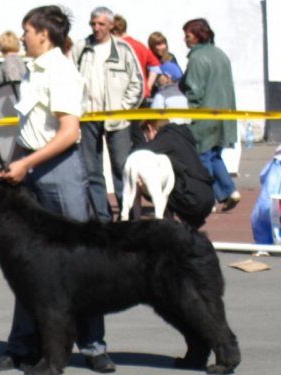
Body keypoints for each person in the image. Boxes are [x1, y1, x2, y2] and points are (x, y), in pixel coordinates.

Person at [0, 5, 115, 375]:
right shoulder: (33, 70)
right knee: (27, 262)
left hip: (59, 170)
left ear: (43, 33)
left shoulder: (61, 71)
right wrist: (18, 162)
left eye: (27, 30)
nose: (22, 36)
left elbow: (69, 132)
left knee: (78, 260)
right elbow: (30, 124)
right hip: (30, 166)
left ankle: (93, 346)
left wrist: (26, 163)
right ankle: (21, 346)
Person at [71, 6, 143, 222]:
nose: (96, 28)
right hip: (88, 117)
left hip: (117, 120)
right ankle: (103, 219)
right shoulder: (81, 48)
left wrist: (123, 109)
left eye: (101, 24)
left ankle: (126, 214)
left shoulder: (123, 50)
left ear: (111, 25)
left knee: (122, 168)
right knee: (92, 170)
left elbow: (137, 83)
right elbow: (70, 81)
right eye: (93, 24)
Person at [180, 18, 240, 211]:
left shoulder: (197, 58)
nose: (184, 39)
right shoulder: (220, 54)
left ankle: (208, 200)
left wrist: (190, 113)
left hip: (205, 116)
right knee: (214, 156)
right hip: (224, 114)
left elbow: (194, 91)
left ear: (197, 35)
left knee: (202, 157)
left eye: (187, 35)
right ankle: (230, 191)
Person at [137, 119, 214, 228]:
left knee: (152, 186)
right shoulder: (183, 134)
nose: (148, 140)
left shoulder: (166, 138)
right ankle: (188, 227)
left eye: (146, 136)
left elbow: (139, 153)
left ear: (150, 129)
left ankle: (167, 225)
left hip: (192, 198)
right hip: (208, 195)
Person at [112, 14, 161, 148]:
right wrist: (149, 85)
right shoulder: (139, 45)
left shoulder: (117, 47)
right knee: (140, 131)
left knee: (126, 133)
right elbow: (155, 66)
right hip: (142, 93)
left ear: (114, 31)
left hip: (126, 95)